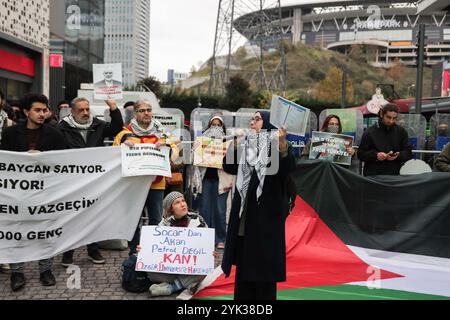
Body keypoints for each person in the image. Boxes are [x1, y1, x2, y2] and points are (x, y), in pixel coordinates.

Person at [221, 111, 296, 300]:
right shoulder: (246, 145)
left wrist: (281, 144)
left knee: (264, 269)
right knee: (244, 266)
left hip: (266, 219)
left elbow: (287, 169)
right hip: (245, 217)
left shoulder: (278, 145)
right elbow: (228, 167)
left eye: (257, 119)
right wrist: (236, 145)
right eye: (251, 119)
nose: (252, 122)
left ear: (268, 123)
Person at [0, 93, 66, 291]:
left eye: (44, 110)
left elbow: (63, 163)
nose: (42, 114)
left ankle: (46, 270)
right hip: (17, 194)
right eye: (37, 110)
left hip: (45, 193)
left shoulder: (55, 134)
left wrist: (43, 158)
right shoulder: (11, 133)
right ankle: (17, 273)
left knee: (46, 231)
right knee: (16, 231)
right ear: (26, 111)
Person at [58, 97, 124, 267]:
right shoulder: (62, 127)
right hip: (71, 182)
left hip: (94, 181)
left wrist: (114, 109)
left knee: (93, 216)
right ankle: (68, 252)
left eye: (87, 109)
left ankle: (92, 249)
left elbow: (117, 128)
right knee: (72, 217)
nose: (85, 113)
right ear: (72, 112)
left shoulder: (98, 125)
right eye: (81, 110)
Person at [113, 100, 178, 256]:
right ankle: (134, 251)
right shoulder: (124, 133)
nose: (147, 113)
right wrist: (123, 148)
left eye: (149, 110)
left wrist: (167, 148)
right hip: (133, 185)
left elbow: (175, 152)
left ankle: (152, 251)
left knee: (156, 219)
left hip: (156, 184)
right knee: (134, 220)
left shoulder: (162, 133)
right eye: (142, 110)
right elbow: (113, 155)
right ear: (135, 113)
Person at [136, 192, 210, 297]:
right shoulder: (163, 225)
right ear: (170, 209)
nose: (183, 204)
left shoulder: (198, 220)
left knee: (204, 269)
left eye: (183, 201)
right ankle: (188, 284)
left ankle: (172, 287)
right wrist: (144, 249)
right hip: (172, 270)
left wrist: (210, 252)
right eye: (177, 203)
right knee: (150, 271)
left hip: (190, 268)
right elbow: (154, 248)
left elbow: (205, 247)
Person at [192, 115, 233, 249]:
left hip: (222, 181)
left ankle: (220, 238)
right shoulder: (202, 141)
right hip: (206, 180)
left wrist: (225, 160)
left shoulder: (228, 142)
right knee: (204, 210)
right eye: (213, 125)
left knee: (220, 211)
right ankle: (205, 237)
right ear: (209, 126)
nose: (215, 128)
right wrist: (196, 148)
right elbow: (194, 160)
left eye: (218, 125)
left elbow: (233, 164)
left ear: (223, 127)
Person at [358, 104, 412, 176]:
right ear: (381, 114)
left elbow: (408, 153)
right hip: (373, 176)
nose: (391, 121)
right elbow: (361, 154)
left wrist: (398, 155)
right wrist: (376, 156)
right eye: (388, 117)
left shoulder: (401, 132)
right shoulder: (369, 132)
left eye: (394, 118)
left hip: (395, 175)